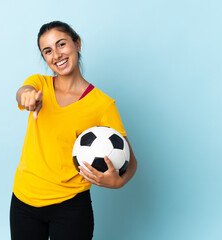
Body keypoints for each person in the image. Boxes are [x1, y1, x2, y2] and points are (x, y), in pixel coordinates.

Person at [10, 21, 137, 240]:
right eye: (47, 51)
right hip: (24, 202)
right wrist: (27, 96)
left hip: (71, 207)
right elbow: (23, 91)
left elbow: (131, 161)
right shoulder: (39, 85)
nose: (56, 55)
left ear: (77, 44)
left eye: (61, 45)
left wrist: (119, 182)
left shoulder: (102, 104)